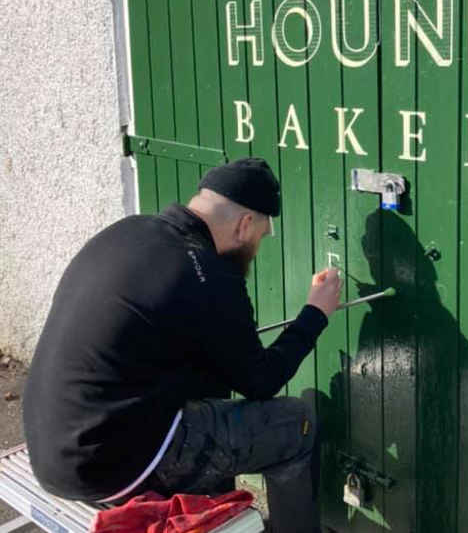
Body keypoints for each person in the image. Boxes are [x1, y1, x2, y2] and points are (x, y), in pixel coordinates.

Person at [23, 157, 341, 533]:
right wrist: (315, 314)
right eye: (261, 236)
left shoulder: (128, 230)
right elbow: (262, 381)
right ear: (244, 225)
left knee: (206, 386)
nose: (257, 246)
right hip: (110, 469)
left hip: (50, 450)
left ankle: (214, 505)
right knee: (296, 424)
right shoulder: (209, 273)